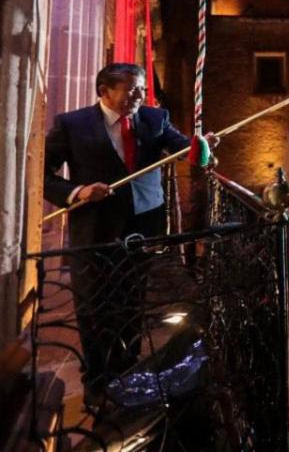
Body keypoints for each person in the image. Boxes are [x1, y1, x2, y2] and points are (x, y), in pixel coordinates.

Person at [43, 63, 195, 398]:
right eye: (131, 89)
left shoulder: (155, 119)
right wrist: (78, 192)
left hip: (142, 224)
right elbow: (44, 174)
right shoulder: (72, 124)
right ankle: (97, 379)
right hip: (95, 227)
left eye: (141, 88)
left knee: (132, 298)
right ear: (104, 91)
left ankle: (127, 374)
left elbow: (182, 147)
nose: (139, 95)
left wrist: (201, 147)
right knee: (94, 302)